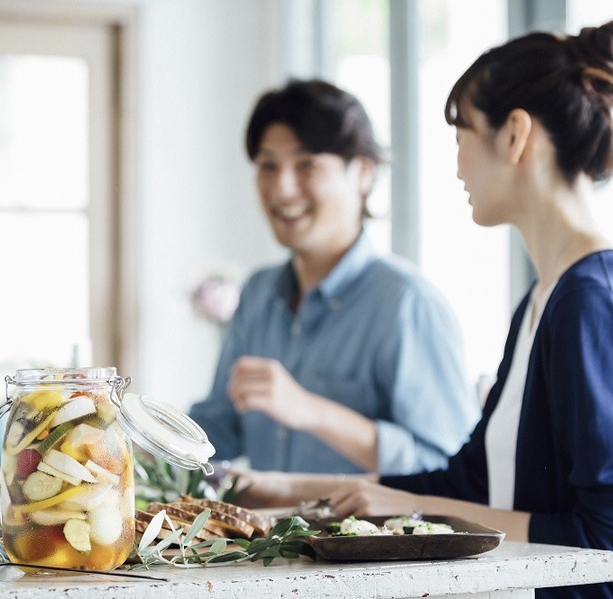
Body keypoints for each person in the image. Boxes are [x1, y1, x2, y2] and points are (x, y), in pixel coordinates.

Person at [231, 22, 613, 598]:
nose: (457, 167)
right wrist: (288, 487)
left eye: (461, 134)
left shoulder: (591, 301)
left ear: (515, 134)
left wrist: (411, 506)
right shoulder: (546, 299)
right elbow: (472, 481)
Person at [188, 79, 480, 476]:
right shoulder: (257, 294)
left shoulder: (407, 304)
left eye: (306, 165)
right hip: (265, 522)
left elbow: (450, 468)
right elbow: (217, 433)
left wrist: (313, 412)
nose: (282, 189)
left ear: (363, 174)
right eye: (268, 166)